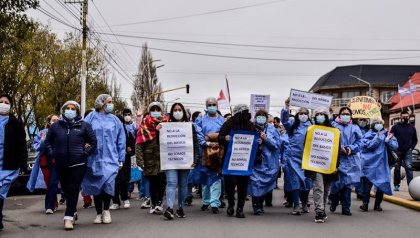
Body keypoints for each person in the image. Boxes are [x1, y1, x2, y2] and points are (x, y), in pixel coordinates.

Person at [45, 100, 97, 230]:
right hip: (61, 164)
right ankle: (72, 210)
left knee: (73, 188)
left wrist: (84, 154)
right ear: (63, 111)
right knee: (66, 190)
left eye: (73, 108)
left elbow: (93, 142)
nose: (70, 110)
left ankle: (68, 217)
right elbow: (48, 142)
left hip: (78, 163)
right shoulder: (56, 126)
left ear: (77, 111)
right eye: (67, 108)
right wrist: (53, 153)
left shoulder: (84, 125)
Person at [82, 94, 126, 224]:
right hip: (93, 158)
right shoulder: (90, 118)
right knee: (97, 186)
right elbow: (82, 134)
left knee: (108, 184)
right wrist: (84, 147)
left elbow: (121, 140)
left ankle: (106, 210)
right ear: (101, 103)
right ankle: (98, 213)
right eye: (109, 102)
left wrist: (121, 158)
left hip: (111, 158)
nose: (111, 104)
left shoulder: (115, 120)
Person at [218, 104, 257, 218]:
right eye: (245, 111)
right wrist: (225, 138)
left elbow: (256, 140)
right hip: (230, 160)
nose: (247, 113)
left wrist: (259, 141)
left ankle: (240, 209)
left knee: (243, 185)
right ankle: (231, 204)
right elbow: (219, 137)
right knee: (229, 184)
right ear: (239, 113)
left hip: (244, 160)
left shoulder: (251, 125)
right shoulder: (228, 124)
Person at [163, 103, 199, 219]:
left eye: (179, 110)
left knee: (183, 184)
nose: (177, 112)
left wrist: (196, 159)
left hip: (185, 160)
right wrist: (159, 131)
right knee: (172, 183)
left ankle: (180, 208)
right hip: (170, 160)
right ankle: (169, 208)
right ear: (171, 112)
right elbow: (161, 144)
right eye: (175, 110)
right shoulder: (165, 126)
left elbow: (195, 144)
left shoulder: (190, 126)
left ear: (183, 112)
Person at [304, 107, 338, 223]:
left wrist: (336, 165)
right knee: (318, 187)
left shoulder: (334, 131)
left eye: (321, 114)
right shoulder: (310, 130)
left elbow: (337, 150)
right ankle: (319, 212)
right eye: (317, 114)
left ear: (326, 116)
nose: (319, 116)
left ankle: (322, 209)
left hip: (329, 165)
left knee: (326, 188)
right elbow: (306, 147)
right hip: (315, 164)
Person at [0, 94, 27, 231]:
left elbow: (22, 144)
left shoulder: (15, 123)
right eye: (1, 101)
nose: (3, 104)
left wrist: (23, 164)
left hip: (8, 163)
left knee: (1, 191)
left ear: (11, 106)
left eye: (6, 102)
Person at [330, 107, 363, 216]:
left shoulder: (355, 127)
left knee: (347, 185)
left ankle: (346, 208)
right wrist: (340, 147)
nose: (345, 115)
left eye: (347, 114)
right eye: (343, 113)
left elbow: (360, 142)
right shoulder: (334, 126)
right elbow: (329, 139)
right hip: (337, 159)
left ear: (351, 115)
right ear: (339, 115)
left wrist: (350, 148)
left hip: (350, 160)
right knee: (336, 184)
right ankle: (334, 202)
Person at [281, 99, 312, 215]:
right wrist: (286, 106)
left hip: (308, 159)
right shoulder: (292, 125)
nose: (303, 115)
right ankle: (296, 204)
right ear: (297, 115)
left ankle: (304, 202)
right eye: (301, 113)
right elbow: (284, 120)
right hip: (293, 158)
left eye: (305, 113)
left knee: (307, 183)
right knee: (295, 182)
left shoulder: (313, 126)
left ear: (308, 115)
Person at [136, 102, 168, 215]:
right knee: (153, 182)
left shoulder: (167, 123)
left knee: (162, 181)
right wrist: (140, 160)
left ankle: (159, 202)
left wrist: (160, 130)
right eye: (153, 109)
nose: (155, 111)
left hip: (163, 159)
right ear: (149, 111)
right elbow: (139, 144)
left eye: (157, 109)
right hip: (149, 159)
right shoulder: (144, 124)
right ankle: (153, 203)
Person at [360, 117, 398, 212]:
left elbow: (395, 146)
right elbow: (369, 145)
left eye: (380, 123)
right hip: (370, 163)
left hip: (382, 164)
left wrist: (387, 140)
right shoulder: (368, 135)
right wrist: (378, 137)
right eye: (376, 122)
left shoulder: (388, 134)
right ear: (373, 124)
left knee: (381, 184)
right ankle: (365, 203)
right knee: (367, 185)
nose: (378, 124)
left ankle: (377, 204)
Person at [195, 98, 225, 214]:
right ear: (206, 106)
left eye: (214, 104)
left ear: (217, 106)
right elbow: (198, 134)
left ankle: (215, 203)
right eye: (209, 104)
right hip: (204, 151)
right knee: (204, 178)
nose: (212, 106)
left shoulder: (221, 120)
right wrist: (206, 142)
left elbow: (224, 133)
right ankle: (206, 201)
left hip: (218, 151)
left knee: (216, 178)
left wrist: (214, 138)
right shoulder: (201, 119)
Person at [248, 109, 281, 215]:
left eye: (263, 116)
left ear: (267, 119)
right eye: (259, 116)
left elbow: (276, 145)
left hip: (268, 162)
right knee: (255, 183)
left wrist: (265, 139)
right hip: (254, 160)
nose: (261, 118)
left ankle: (260, 204)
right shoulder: (250, 128)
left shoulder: (272, 130)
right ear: (255, 117)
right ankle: (255, 205)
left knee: (264, 184)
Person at [27, 114, 60, 214]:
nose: (55, 122)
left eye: (57, 120)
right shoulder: (42, 133)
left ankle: (49, 206)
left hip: (57, 161)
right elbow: (37, 147)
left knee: (53, 182)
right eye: (53, 120)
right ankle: (53, 203)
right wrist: (42, 140)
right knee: (48, 183)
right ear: (49, 122)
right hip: (45, 161)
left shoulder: (61, 132)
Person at [110, 115, 136, 210]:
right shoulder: (110, 133)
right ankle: (115, 201)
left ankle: (125, 199)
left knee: (123, 181)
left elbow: (134, 147)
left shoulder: (128, 133)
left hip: (124, 161)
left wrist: (130, 150)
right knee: (114, 181)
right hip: (112, 161)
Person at [391, 109, 418, 191]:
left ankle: (411, 186)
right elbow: (390, 138)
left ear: (409, 117)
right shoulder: (395, 127)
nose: (405, 118)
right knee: (397, 168)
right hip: (397, 151)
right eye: (403, 117)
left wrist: (411, 147)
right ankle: (396, 185)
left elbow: (415, 139)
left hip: (408, 151)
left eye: (407, 116)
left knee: (409, 168)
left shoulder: (412, 128)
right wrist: (393, 147)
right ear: (400, 117)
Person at [355, 118, 370, 199]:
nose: (362, 122)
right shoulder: (355, 129)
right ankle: (359, 190)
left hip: (366, 154)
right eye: (361, 120)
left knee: (365, 175)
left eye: (364, 120)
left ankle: (364, 191)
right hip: (357, 153)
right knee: (359, 174)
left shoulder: (369, 130)